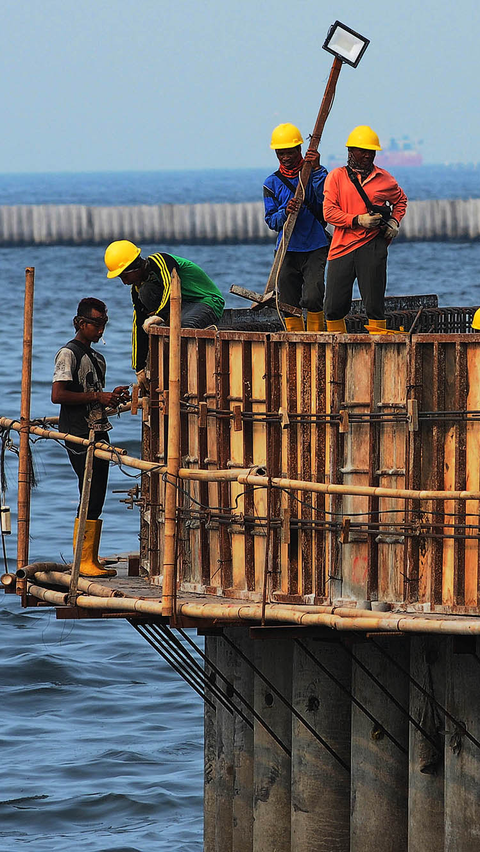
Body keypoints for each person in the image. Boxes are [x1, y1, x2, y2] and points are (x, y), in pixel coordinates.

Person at [51, 297, 130, 578]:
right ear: (81, 323)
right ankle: (82, 560)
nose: (100, 330)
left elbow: (92, 398)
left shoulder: (97, 358)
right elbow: (58, 395)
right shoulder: (68, 354)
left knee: (97, 495)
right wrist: (98, 395)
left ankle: (90, 556)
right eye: (96, 324)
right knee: (88, 492)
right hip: (79, 434)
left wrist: (111, 398)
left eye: (104, 324)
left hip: (99, 431)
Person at [104, 241, 225, 393]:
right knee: (145, 293)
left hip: (206, 302)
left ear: (134, 267)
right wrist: (139, 367)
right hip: (179, 309)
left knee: (181, 328)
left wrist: (160, 317)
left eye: (124, 276)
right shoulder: (137, 287)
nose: (124, 282)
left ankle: (187, 376)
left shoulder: (161, 261)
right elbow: (138, 323)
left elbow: (171, 287)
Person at [323, 125, 408, 333]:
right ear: (351, 151)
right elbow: (328, 213)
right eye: (363, 151)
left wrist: (395, 222)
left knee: (374, 304)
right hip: (341, 247)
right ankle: (336, 349)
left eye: (372, 151)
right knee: (333, 306)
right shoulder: (336, 177)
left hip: (372, 245)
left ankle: (377, 348)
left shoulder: (385, 179)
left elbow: (401, 201)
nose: (368, 155)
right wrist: (357, 220)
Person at [263, 122, 330, 332]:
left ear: (299, 150)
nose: (285, 157)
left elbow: (325, 202)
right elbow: (272, 221)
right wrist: (286, 210)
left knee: (313, 295)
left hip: (315, 245)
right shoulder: (271, 183)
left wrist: (317, 170)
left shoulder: (316, 173)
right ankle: (295, 341)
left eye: (289, 152)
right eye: (280, 153)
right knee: (289, 301)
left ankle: (317, 336)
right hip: (286, 249)